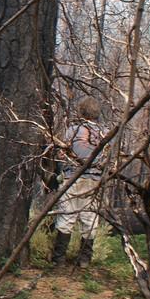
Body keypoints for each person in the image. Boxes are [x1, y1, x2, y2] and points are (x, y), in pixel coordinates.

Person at [53, 96, 105, 268]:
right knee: (90, 219)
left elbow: (61, 155)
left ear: (81, 111)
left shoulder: (73, 130)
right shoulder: (105, 133)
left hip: (72, 179)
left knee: (66, 217)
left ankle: (58, 260)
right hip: (95, 181)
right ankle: (84, 261)